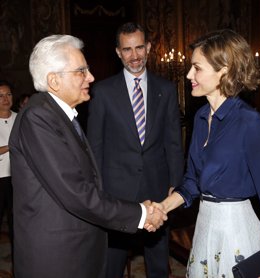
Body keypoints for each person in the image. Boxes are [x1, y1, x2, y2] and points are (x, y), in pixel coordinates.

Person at [9, 34, 167, 278]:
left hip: (76, 251)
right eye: (81, 71)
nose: (91, 77)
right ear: (54, 80)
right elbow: (76, 193)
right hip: (57, 260)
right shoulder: (38, 118)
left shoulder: (60, 114)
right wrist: (141, 214)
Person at [150, 29, 260, 277]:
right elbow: (192, 182)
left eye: (197, 68)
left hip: (236, 233)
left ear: (223, 70)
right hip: (205, 228)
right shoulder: (201, 116)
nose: (188, 75)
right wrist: (160, 208)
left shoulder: (249, 122)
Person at [87, 22, 184, 278]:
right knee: (113, 264)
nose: (134, 56)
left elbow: (173, 142)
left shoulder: (166, 90)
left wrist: (176, 183)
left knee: (159, 265)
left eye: (139, 47)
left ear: (149, 48)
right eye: (127, 49)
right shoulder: (102, 92)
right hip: (116, 194)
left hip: (157, 191)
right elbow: (95, 145)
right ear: (118, 52)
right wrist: (98, 191)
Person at [0, 80, 16, 250]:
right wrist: (11, 146)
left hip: (17, 178)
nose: (5, 99)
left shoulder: (21, 118)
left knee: (16, 223)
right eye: (1, 96)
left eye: (8, 94)